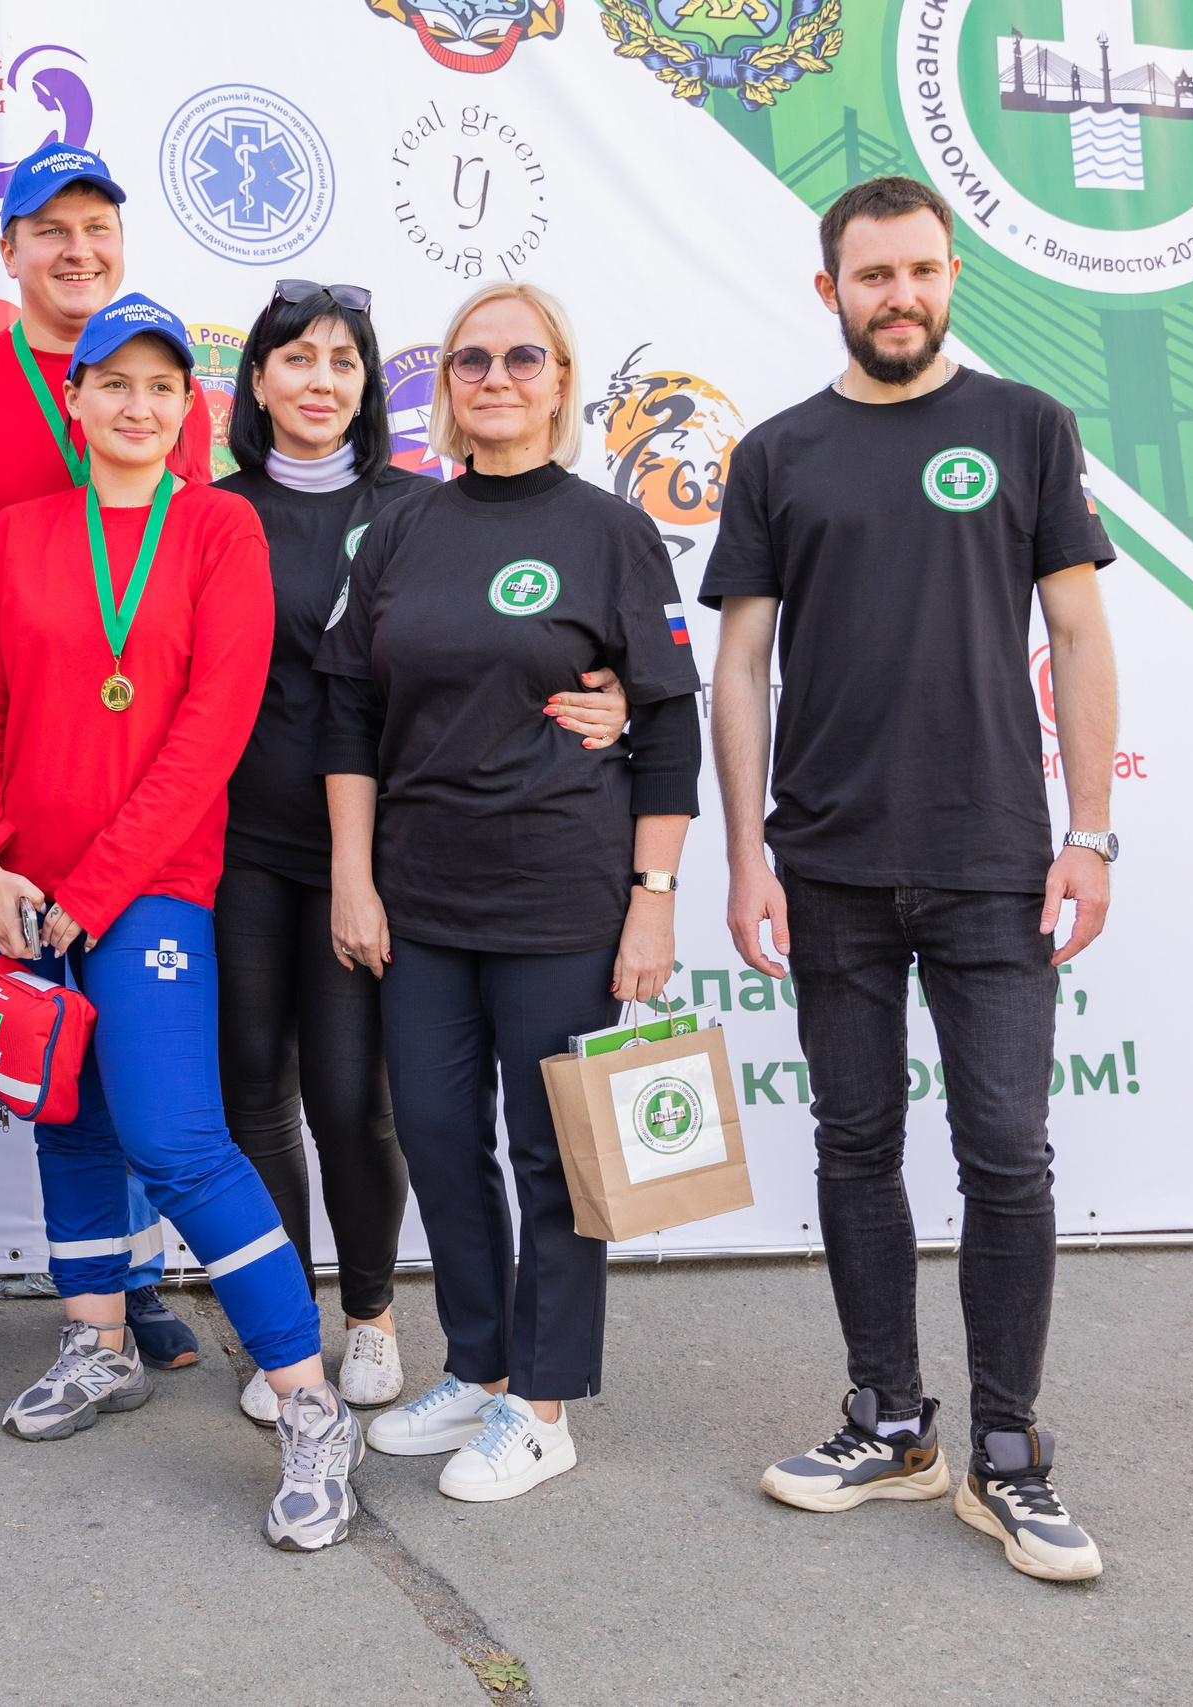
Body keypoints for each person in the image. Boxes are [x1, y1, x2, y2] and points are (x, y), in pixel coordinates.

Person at [703, 176, 1117, 1582]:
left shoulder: (1025, 427)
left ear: (952, 277)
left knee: (1007, 1152)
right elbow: (741, 667)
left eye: (922, 271)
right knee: (854, 1144)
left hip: (994, 858)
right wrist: (747, 854)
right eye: (873, 275)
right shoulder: (778, 452)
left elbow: (1080, 635)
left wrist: (1090, 832)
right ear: (831, 290)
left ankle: (1007, 1451)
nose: (901, 296)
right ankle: (888, 1422)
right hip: (827, 863)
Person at [0, 294, 363, 1551]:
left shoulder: (219, 529)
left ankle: (309, 1405)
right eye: (114, 382)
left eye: (161, 386)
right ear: (75, 398)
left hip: (152, 887)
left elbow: (209, 734)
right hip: (27, 888)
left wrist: (91, 893)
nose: (137, 405)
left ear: (190, 406)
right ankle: (98, 1343)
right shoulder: (19, 532)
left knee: (177, 1138)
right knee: (66, 1116)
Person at [213, 280, 630, 1425]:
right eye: (296, 359)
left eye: (343, 361)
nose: (320, 381)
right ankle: (291, 1334)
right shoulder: (218, 513)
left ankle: (387, 1326)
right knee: (267, 1097)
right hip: (259, 843)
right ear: (256, 381)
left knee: (369, 1105)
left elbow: (592, 674)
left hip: (403, 859)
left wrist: (621, 709)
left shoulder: (419, 507)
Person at [319, 281, 701, 1504]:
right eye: (471, 359)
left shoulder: (610, 532)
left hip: (560, 898)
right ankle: (477, 1366)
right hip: (420, 902)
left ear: (559, 380)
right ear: (445, 385)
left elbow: (668, 724)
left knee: (553, 1157)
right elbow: (348, 710)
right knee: (438, 1140)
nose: (495, 377)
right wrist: (353, 879)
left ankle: (541, 1405)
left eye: (522, 358)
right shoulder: (401, 530)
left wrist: (652, 899)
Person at [0, 141, 217, 1383]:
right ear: (6, 249)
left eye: (97, 227)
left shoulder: (171, 390)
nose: (79, 249)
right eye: (51, 229)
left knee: (116, 1038)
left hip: (126, 788)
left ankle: (123, 1279)